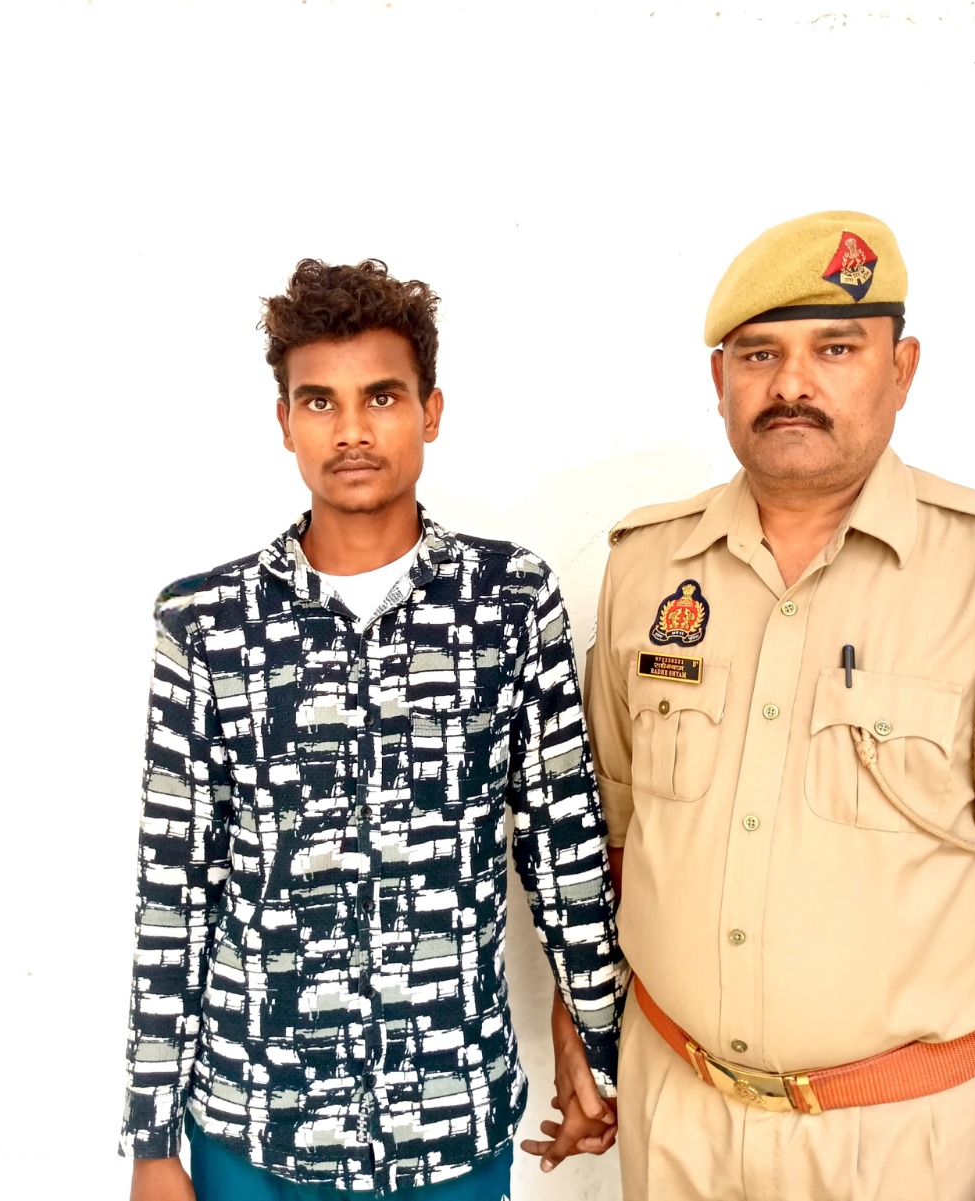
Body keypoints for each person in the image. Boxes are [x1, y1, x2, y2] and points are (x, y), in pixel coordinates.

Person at [546, 211, 975, 1199]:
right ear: (719, 379)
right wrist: (582, 1011)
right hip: (675, 1121)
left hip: (904, 1144)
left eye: (835, 349)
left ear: (901, 370)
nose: (791, 384)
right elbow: (616, 834)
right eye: (759, 354)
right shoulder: (647, 565)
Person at [118, 258, 626, 1201]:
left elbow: (565, 845)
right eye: (320, 402)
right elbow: (174, 889)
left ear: (430, 411)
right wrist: (153, 1142)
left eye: (381, 396)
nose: (351, 429)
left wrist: (600, 1048)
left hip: (450, 1120)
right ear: (285, 422)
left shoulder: (509, 601)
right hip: (254, 1121)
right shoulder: (207, 623)